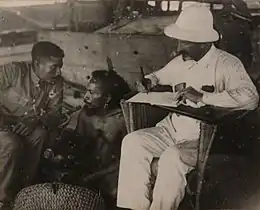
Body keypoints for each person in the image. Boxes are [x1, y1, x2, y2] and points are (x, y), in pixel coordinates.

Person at [117, 5, 259, 210]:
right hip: (172, 129)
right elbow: (159, 76)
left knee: (171, 158)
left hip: (203, 138)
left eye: (184, 41)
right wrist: (148, 81)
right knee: (133, 142)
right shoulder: (181, 62)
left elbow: (251, 98)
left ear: (203, 43)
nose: (178, 45)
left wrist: (204, 97)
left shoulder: (228, 64)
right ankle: (134, 207)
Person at [0, 41, 65, 209]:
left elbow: (56, 114)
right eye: (54, 67)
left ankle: (24, 191)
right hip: (2, 124)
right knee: (11, 143)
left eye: (60, 67)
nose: (58, 72)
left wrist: (35, 120)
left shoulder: (56, 82)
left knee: (40, 134)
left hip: (25, 126)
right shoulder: (13, 71)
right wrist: (4, 120)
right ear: (37, 63)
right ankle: (2, 198)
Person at [75, 69, 130, 207]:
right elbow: (79, 147)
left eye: (92, 93)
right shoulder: (85, 114)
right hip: (91, 171)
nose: (86, 97)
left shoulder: (122, 121)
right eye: (87, 90)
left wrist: (94, 176)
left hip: (114, 174)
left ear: (107, 98)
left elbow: (125, 162)